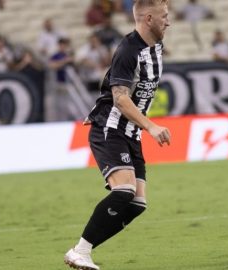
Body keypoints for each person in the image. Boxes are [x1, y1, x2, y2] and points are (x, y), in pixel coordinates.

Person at [63, 1, 171, 269]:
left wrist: (142, 127)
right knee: (123, 191)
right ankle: (81, 251)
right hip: (109, 129)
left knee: (136, 204)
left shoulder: (156, 46)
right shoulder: (128, 51)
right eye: (164, 17)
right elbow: (120, 99)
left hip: (130, 133)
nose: (168, 22)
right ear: (148, 19)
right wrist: (151, 126)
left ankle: (80, 250)